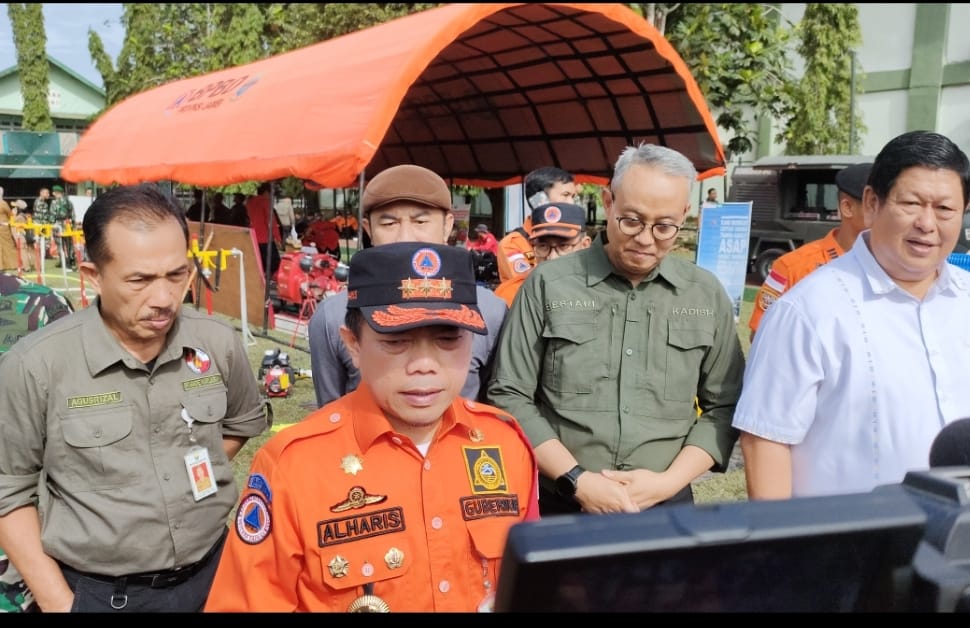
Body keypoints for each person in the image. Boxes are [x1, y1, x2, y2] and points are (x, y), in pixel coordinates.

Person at [205, 241, 539, 612]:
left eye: (448, 339)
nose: (424, 364)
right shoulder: (293, 465)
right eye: (396, 341)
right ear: (353, 345)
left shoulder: (505, 444)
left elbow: (532, 585)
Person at [0, 183, 271, 612]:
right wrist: (59, 603)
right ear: (93, 276)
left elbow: (242, 421)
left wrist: (177, 475)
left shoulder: (217, 343)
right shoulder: (37, 365)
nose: (163, 299)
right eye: (140, 280)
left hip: (216, 575)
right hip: (101, 593)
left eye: (177, 275)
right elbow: (7, 493)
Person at [486, 142, 745, 516]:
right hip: (561, 502)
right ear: (608, 203)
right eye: (632, 221)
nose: (645, 239)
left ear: (684, 214)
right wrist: (577, 480)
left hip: (665, 507)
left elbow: (726, 404)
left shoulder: (704, 294)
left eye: (664, 226)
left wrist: (667, 483)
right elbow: (509, 394)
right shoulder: (548, 284)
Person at [733, 130, 970, 500]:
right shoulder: (806, 310)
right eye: (911, 204)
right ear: (872, 203)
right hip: (855, 534)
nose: (927, 223)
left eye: (944, 209)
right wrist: (780, 534)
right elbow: (765, 439)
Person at [308, 164, 507, 408]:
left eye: (420, 221)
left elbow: (493, 402)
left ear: (447, 225)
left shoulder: (490, 312)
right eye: (389, 224)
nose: (404, 237)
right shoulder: (332, 316)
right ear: (369, 229)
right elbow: (331, 409)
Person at [747, 162, 873, 341]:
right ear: (847, 208)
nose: (888, 213)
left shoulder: (894, 270)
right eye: (874, 205)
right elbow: (761, 336)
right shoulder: (792, 267)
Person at [494, 201, 591, 307]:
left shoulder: (600, 291)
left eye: (563, 246)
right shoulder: (512, 294)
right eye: (543, 246)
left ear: (585, 245)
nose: (552, 257)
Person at [496, 166, 577, 284]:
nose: (572, 203)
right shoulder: (512, 244)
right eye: (565, 195)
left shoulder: (574, 237)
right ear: (540, 200)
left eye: (573, 196)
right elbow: (532, 284)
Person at [246, 182, 282, 276]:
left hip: (253, 237)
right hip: (266, 238)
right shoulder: (265, 201)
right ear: (266, 192)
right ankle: (270, 280)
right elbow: (271, 221)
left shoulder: (249, 202)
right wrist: (277, 237)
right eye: (271, 193)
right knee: (274, 265)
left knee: (260, 264)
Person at [49, 185, 76, 270]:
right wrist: (72, 224)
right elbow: (72, 214)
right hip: (67, 224)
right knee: (69, 244)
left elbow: (52, 215)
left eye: (54, 192)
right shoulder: (68, 202)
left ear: (56, 193)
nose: (53, 194)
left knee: (59, 244)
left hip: (58, 224)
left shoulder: (54, 202)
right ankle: (71, 260)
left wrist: (51, 224)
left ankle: (64, 261)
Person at [0, 188, 18, 271]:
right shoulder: (3, 203)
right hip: (3, 227)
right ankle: (12, 264)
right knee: (9, 246)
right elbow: (10, 214)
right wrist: (14, 213)